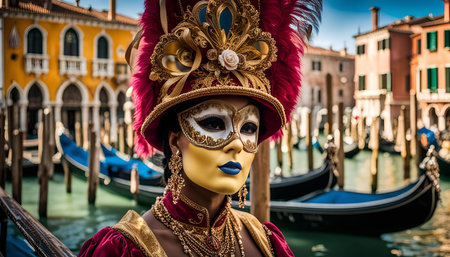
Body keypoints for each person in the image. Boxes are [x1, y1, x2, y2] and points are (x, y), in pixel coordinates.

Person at [78, 0, 321, 256]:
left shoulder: (265, 241)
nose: (237, 143)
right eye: (213, 123)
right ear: (174, 141)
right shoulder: (124, 250)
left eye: (249, 128)